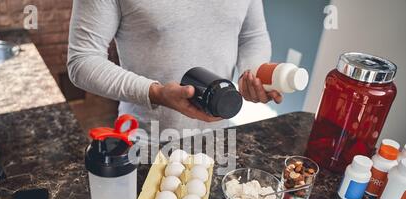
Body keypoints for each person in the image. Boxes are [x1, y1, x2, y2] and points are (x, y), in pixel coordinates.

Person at [68, 0, 282, 136]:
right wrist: (157, 93)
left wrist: (251, 76)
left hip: (217, 135)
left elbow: (252, 36)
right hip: (146, 140)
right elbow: (83, 60)